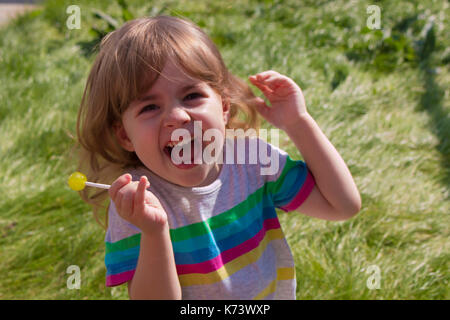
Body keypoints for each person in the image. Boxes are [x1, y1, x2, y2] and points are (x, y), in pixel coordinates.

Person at [75, 15, 361, 300]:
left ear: (224, 107)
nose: (177, 116)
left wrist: (298, 123)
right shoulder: (137, 203)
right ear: (125, 135)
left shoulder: (251, 158)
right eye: (149, 106)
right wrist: (154, 232)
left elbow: (342, 206)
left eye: (191, 96)